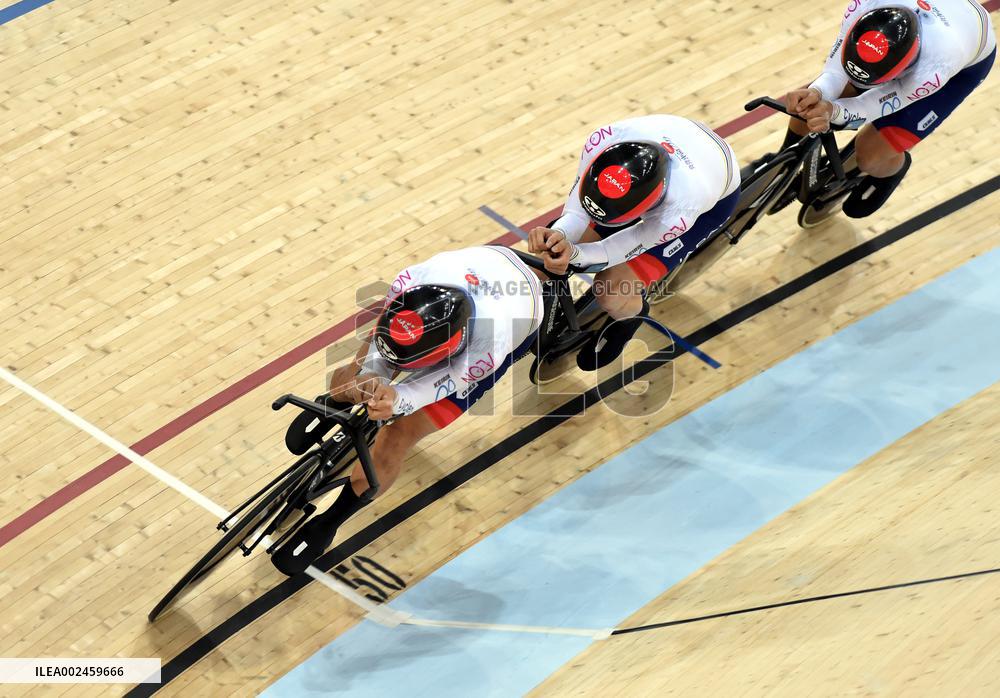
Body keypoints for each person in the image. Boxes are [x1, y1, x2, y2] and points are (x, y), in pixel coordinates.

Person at [271, 245, 542, 575]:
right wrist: (365, 380)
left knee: (398, 433)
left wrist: (396, 399)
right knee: (358, 376)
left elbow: (432, 387)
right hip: (475, 272)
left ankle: (330, 521)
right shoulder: (409, 283)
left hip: (519, 313)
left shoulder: (488, 347)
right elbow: (379, 354)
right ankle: (335, 403)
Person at [528, 115, 740, 370]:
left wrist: (574, 255)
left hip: (712, 194)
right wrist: (559, 234)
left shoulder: (679, 212)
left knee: (612, 290)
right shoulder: (603, 140)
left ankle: (630, 318)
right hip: (680, 139)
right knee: (547, 256)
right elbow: (576, 213)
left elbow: (620, 248)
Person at [773, 0, 995, 218]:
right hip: (939, 25)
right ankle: (782, 162)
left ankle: (892, 170)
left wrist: (833, 112)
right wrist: (818, 92)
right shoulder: (863, 5)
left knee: (870, 156)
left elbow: (873, 106)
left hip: (964, 63)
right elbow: (835, 72)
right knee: (808, 102)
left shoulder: (932, 70)